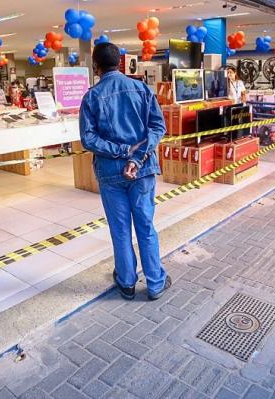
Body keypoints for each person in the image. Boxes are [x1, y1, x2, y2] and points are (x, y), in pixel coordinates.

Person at [80, 43, 171, 300]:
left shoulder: (91, 96)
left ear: (96, 67)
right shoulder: (142, 89)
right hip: (142, 172)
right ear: (120, 62)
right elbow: (157, 128)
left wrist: (121, 152)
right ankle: (155, 283)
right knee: (145, 226)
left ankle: (127, 282)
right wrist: (137, 156)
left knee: (120, 230)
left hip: (110, 173)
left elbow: (88, 139)